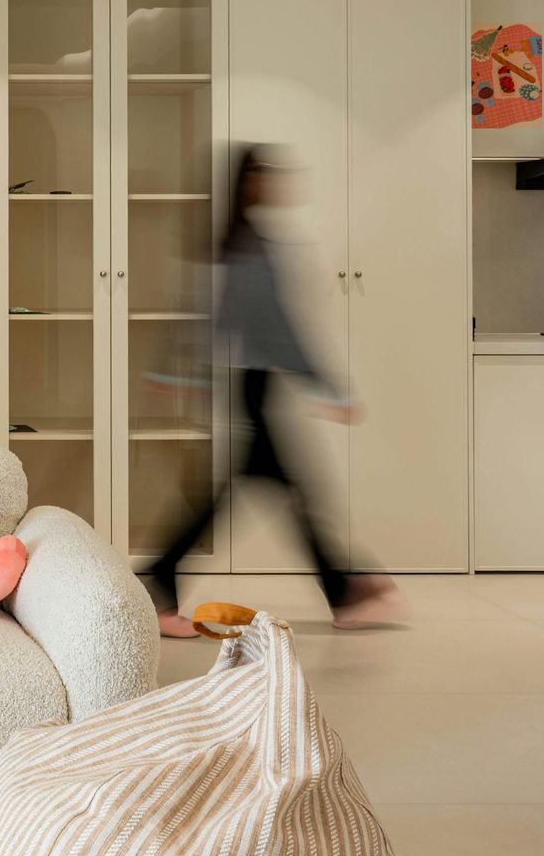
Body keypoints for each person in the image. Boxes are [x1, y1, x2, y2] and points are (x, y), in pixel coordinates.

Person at [148, 145, 408, 639]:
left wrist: (178, 373)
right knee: (282, 493)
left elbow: (212, 316)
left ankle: (163, 582)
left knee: (265, 492)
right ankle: (344, 591)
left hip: (250, 381)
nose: (276, 182)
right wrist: (328, 387)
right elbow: (273, 325)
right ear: (249, 182)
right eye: (265, 174)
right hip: (254, 382)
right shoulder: (250, 247)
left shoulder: (239, 241)